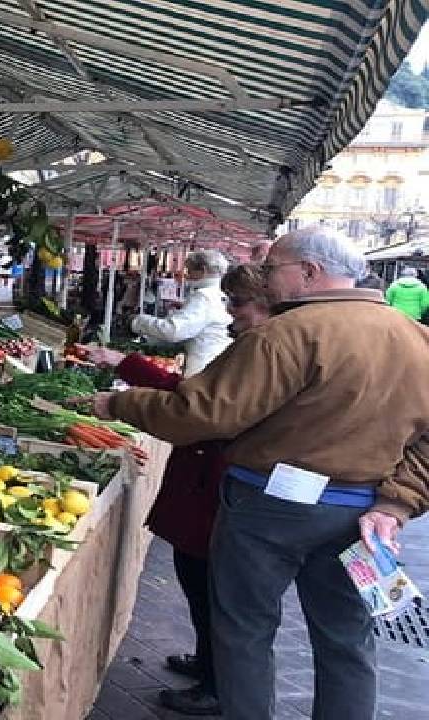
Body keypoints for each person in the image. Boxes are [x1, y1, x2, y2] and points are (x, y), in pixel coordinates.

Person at [87, 226, 429, 720]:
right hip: (360, 513)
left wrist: (119, 401)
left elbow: (202, 414)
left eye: (273, 269)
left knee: (245, 632)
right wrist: (394, 504)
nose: (267, 280)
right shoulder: (416, 338)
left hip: (268, 509)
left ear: (309, 272)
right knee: (347, 641)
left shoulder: (287, 333)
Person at [82, 265, 273, 715]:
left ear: (265, 302)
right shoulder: (252, 346)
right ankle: (209, 663)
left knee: (213, 589)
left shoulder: (265, 351)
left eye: (238, 303)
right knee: (198, 579)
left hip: (221, 487)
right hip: (210, 483)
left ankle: (217, 684)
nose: (229, 313)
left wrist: (122, 401)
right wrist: (127, 364)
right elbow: (197, 396)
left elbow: (201, 412)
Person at [130, 250, 232, 377]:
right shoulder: (219, 295)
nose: (187, 276)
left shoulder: (204, 297)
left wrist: (138, 321)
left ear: (203, 270)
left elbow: (175, 331)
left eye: (189, 271)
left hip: (201, 368)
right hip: (214, 365)